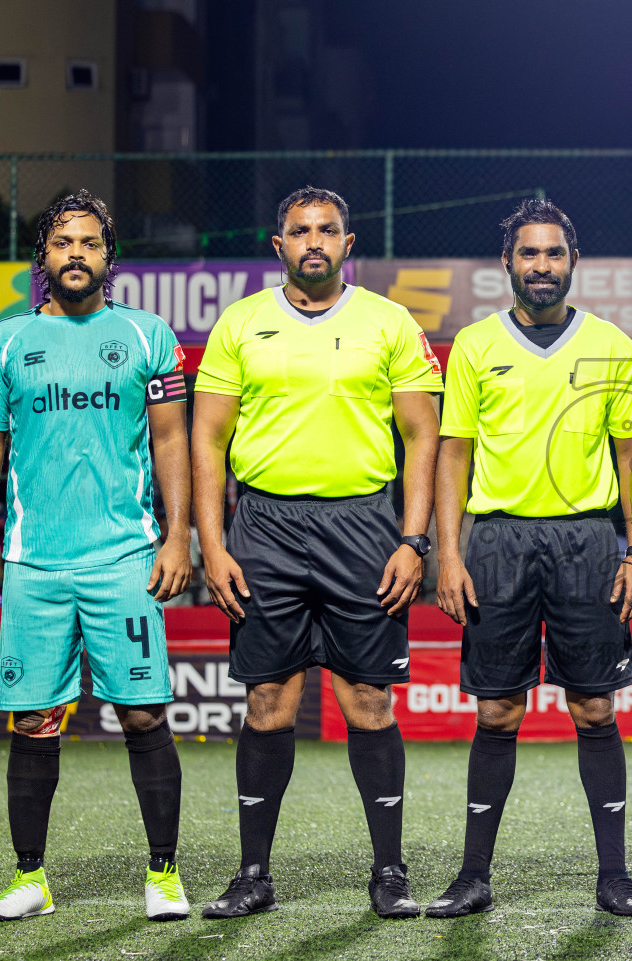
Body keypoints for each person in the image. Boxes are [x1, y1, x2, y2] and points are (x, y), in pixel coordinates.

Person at [191, 187, 443, 919]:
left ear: (347, 242)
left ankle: (390, 871)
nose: (313, 241)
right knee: (268, 700)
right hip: (264, 527)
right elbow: (206, 439)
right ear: (278, 246)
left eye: (326, 230)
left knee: (367, 699)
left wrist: (412, 539)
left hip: (363, 526)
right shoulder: (240, 324)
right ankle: (252, 874)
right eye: (299, 230)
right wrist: (214, 542)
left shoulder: (390, 322)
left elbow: (422, 437)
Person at [0, 190, 193, 923]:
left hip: (123, 557)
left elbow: (170, 441)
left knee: (143, 712)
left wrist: (177, 532)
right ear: (43, 256)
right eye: (62, 242)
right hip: (33, 564)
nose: (76, 254)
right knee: (33, 720)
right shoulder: (7, 340)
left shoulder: (149, 335)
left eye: (90, 243)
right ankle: (30, 879)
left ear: (108, 256)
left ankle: (163, 875)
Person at [424, 199, 632, 919]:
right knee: (497, 711)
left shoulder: (614, 346)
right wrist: (449, 555)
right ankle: (473, 875)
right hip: (497, 541)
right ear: (508, 264)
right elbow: (452, 454)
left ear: (573, 261)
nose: (542, 266)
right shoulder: (475, 346)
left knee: (593, 707)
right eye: (530, 254)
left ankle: (614, 876)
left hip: (587, 539)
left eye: (554, 254)